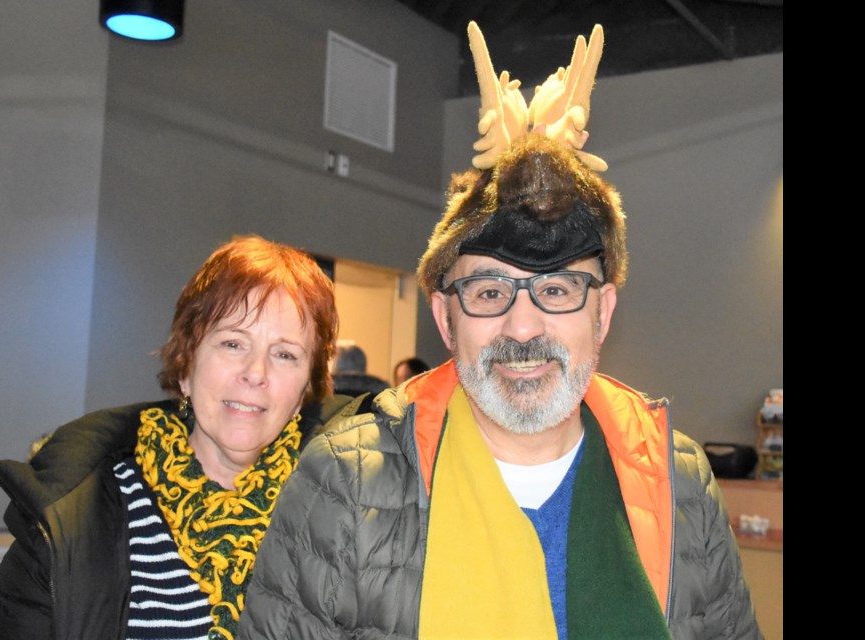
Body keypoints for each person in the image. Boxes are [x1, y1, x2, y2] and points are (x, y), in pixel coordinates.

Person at [240, 22, 759, 640]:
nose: (522, 325)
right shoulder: (342, 486)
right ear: (445, 318)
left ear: (604, 313)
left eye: (558, 289)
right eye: (488, 291)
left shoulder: (681, 482)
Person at [0, 236, 356, 640]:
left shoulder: (345, 511)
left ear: (306, 388)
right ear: (185, 366)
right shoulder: (75, 513)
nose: (256, 372)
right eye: (233, 343)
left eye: (285, 354)